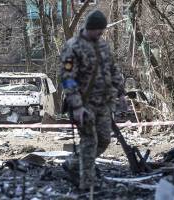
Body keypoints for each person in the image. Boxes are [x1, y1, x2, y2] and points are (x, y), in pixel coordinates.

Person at [60, 9, 127, 190]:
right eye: (99, 30)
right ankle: (87, 186)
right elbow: (68, 78)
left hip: (104, 104)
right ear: (90, 27)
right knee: (90, 143)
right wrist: (77, 106)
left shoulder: (103, 46)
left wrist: (121, 93)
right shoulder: (72, 47)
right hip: (85, 105)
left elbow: (113, 70)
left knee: (104, 140)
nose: (101, 33)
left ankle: (74, 163)